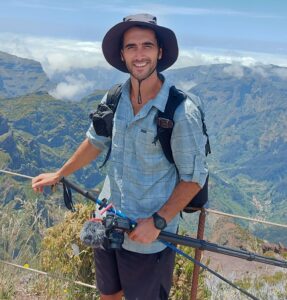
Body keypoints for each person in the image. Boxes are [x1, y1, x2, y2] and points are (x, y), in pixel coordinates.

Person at [32, 13, 208, 300]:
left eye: (147, 46)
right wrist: (60, 173)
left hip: (148, 236)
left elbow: (193, 179)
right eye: (131, 47)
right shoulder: (114, 98)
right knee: (109, 294)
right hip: (107, 220)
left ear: (160, 52)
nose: (139, 55)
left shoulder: (180, 112)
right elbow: (95, 142)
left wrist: (158, 222)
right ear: (122, 55)